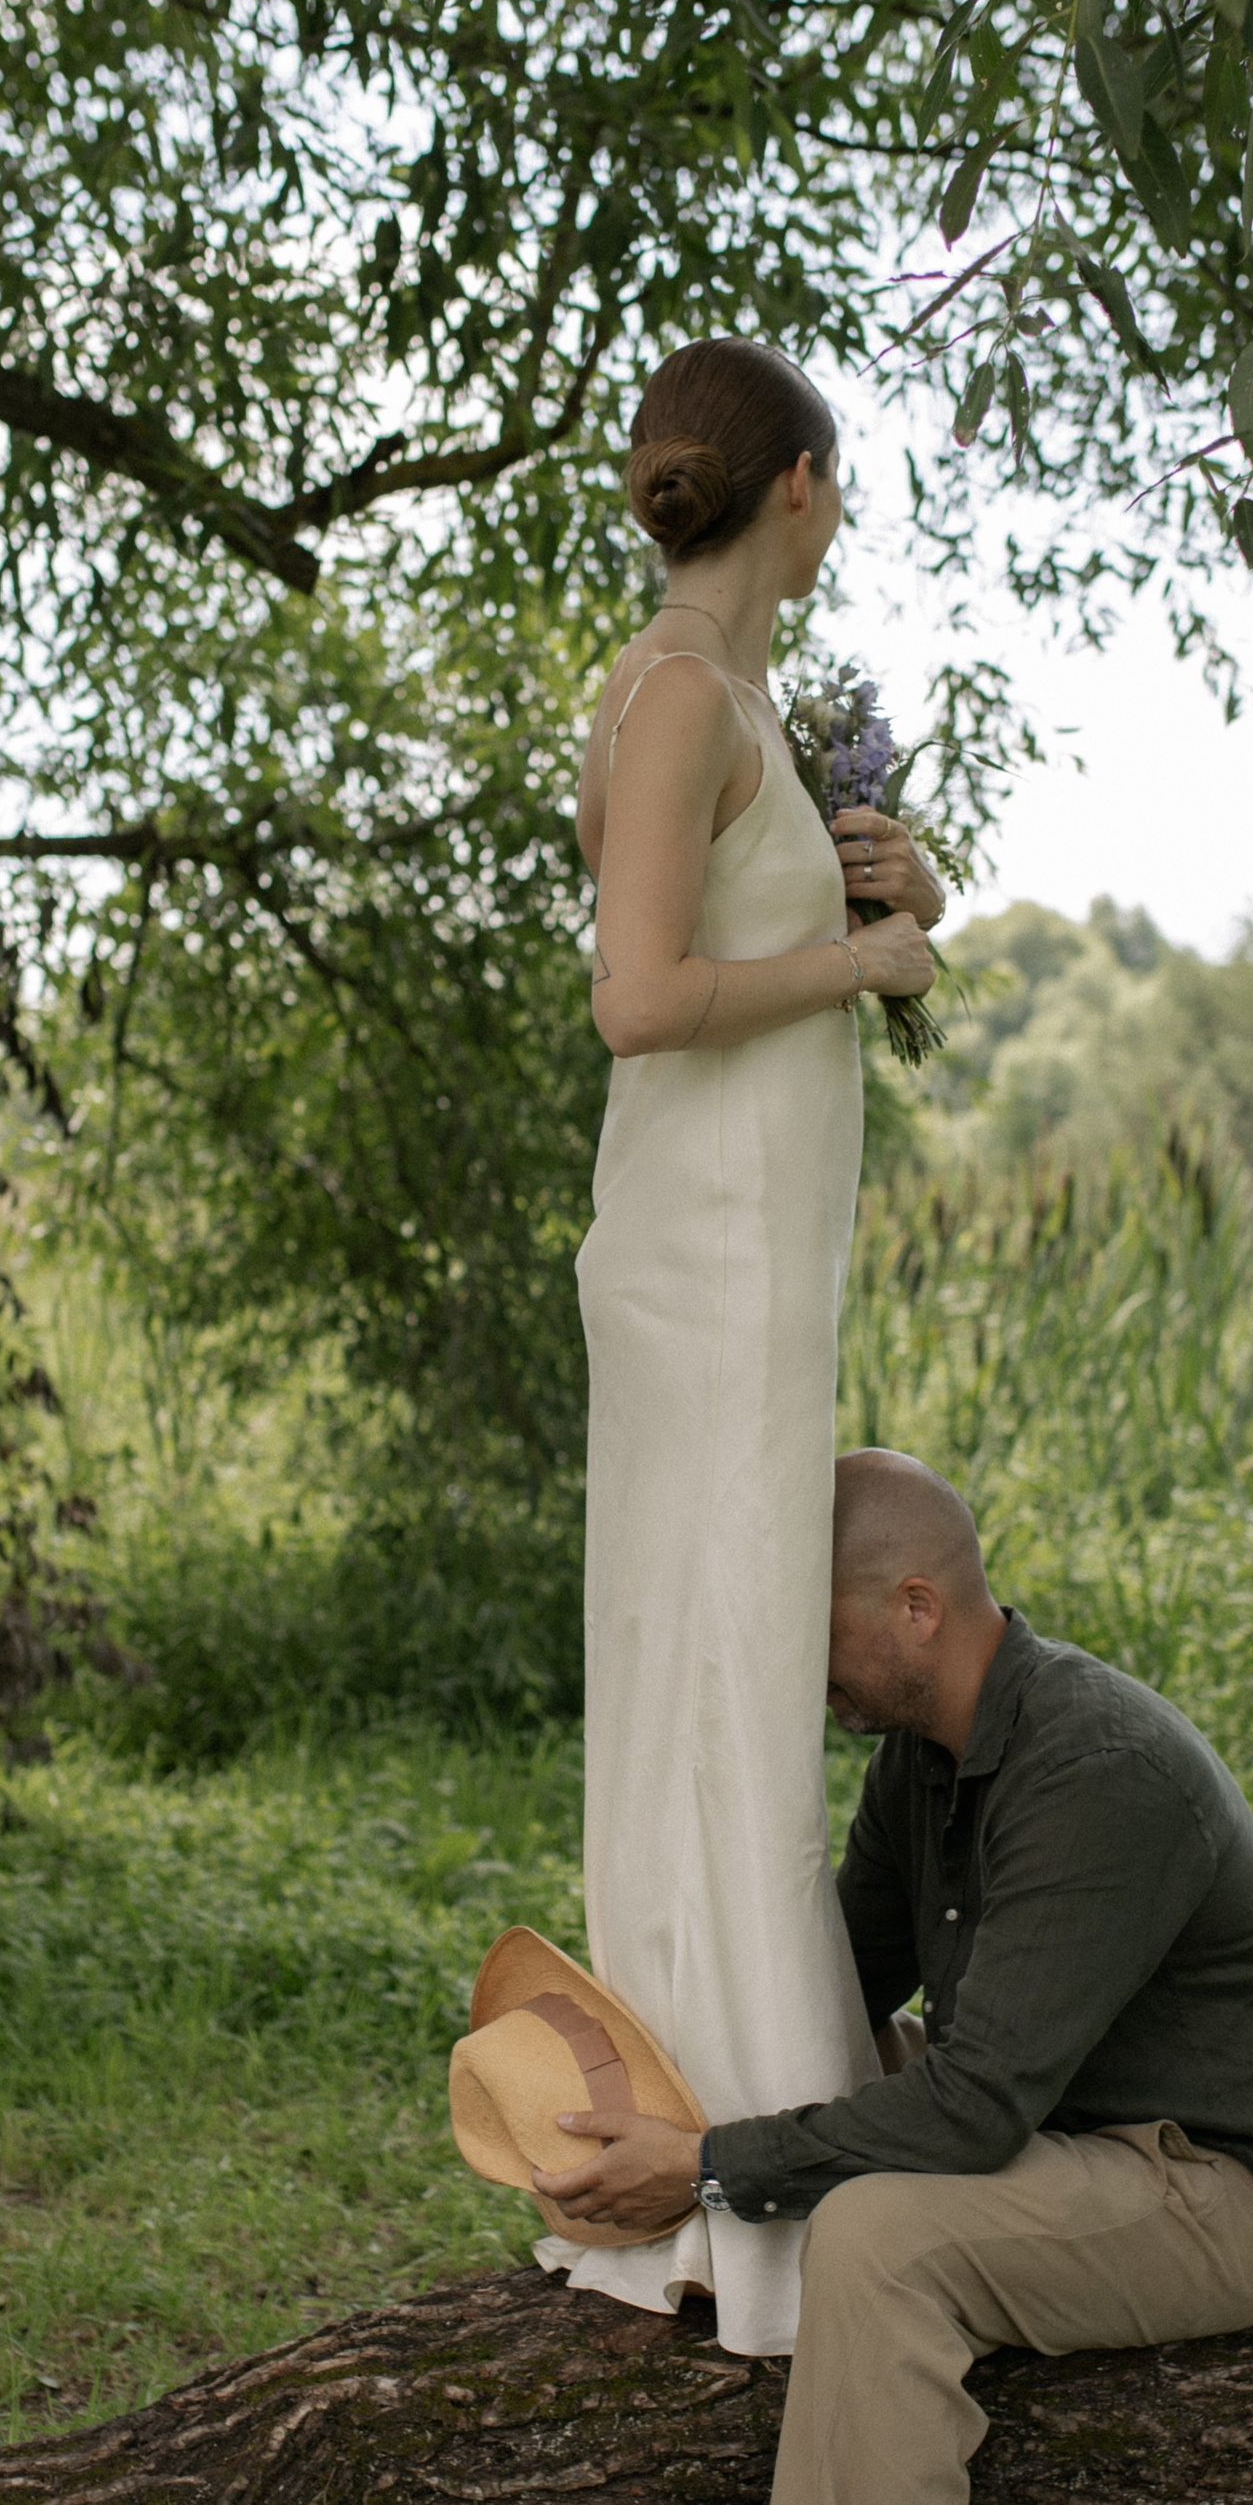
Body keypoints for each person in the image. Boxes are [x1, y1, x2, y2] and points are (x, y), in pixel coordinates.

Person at [532, 1449, 1253, 2505]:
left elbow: (971, 2114)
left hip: (1207, 2186)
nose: (808, 1679)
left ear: (915, 1605)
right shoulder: (921, 1765)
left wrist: (715, 2165)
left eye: (820, 1636)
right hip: (1058, 2134)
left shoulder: (1099, 1768)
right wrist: (647, 2111)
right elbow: (837, 1988)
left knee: (885, 2238)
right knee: (834, 2143)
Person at [551, 340, 947, 2361]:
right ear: (789, 487)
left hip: (760, 1249)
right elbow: (639, 998)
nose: (843, 515)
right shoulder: (680, 695)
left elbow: (775, 945)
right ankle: (729, 2181)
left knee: (732, 1672)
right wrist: (852, 961)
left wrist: (895, 894)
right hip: (704, 1261)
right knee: (707, 1672)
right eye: (840, 483)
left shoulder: (750, 711)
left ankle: (727, 2152)